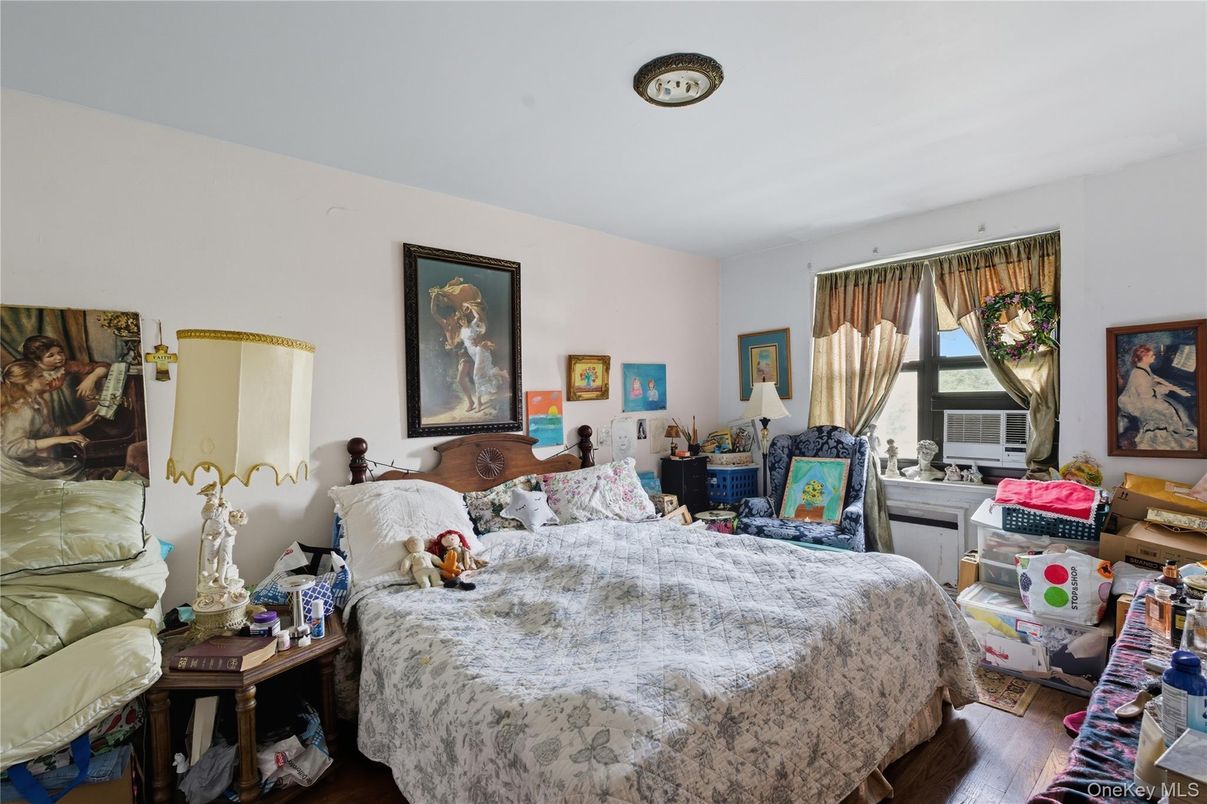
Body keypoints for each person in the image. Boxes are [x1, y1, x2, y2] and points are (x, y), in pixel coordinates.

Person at [1, 360, 97, 481]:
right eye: (40, 376)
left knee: (74, 467)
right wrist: (60, 440)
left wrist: (83, 423)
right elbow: (13, 449)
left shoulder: (40, 402)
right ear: (27, 383)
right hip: (14, 468)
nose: (47, 377)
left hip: (26, 460)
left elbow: (49, 432)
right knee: (73, 471)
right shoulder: (21, 410)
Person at [21, 335, 109, 436]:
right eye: (51, 355)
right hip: (32, 408)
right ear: (37, 360)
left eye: (60, 352)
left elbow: (105, 366)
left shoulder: (66, 366)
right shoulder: (26, 371)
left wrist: (92, 378)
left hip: (58, 408)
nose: (59, 357)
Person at [1117, 344, 1197, 451]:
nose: (1154, 356)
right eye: (1151, 355)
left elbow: (1153, 377)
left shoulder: (1143, 368)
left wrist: (1167, 384)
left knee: (1175, 406)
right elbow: (1145, 394)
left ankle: (1179, 430)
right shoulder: (1138, 373)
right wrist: (1163, 389)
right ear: (1144, 358)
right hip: (1141, 403)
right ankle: (1170, 436)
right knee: (1168, 409)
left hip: (1145, 398)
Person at [459, 306, 508, 412]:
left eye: (463, 319)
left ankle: (479, 403)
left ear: (466, 319)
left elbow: (477, 316)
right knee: (482, 374)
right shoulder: (462, 331)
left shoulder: (472, 326)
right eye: (460, 320)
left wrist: (471, 307)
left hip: (479, 351)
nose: (462, 322)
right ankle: (501, 372)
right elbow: (464, 344)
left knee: (476, 376)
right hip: (472, 354)